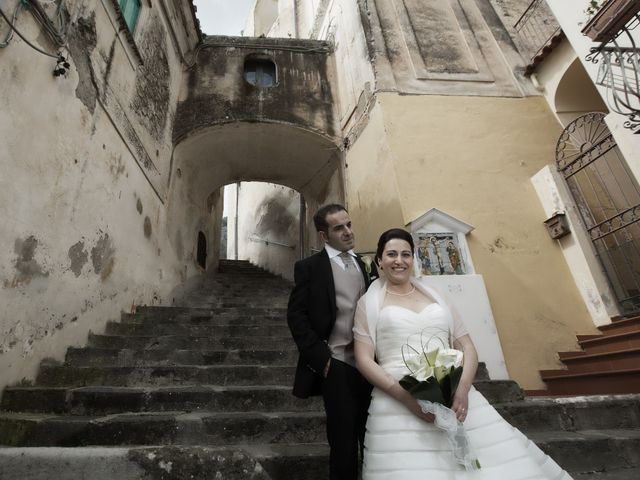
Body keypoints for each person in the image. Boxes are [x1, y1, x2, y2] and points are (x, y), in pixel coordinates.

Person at [353, 228, 573, 479]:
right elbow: (363, 358)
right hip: (397, 397)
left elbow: (467, 346)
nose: (399, 260)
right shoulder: (369, 304)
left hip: (454, 390)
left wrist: (463, 390)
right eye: (391, 254)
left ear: (414, 259)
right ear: (380, 260)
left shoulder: (437, 296)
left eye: (406, 254)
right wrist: (406, 398)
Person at [287, 204, 378, 480]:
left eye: (348, 224)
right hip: (336, 363)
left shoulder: (366, 263)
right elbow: (296, 315)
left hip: (372, 364)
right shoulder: (309, 268)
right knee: (342, 441)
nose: (348, 231)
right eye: (339, 228)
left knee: (373, 435)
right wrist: (321, 359)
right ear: (324, 235)